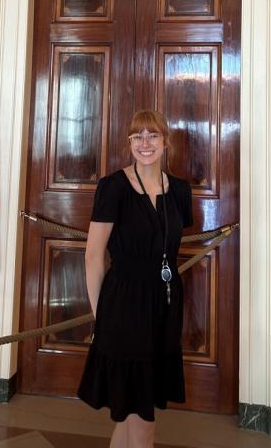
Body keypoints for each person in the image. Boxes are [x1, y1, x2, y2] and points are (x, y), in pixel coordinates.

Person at [77, 110, 194, 448]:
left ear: (165, 142)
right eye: (137, 136)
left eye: (153, 135)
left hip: (165, 306)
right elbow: (93, 256)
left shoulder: (181, 191)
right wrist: (102, 318)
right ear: (128, 143)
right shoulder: (113, 187)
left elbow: (168, 246)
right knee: (143, 421)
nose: (145, 143)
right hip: (124, 308)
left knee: (134, 410)